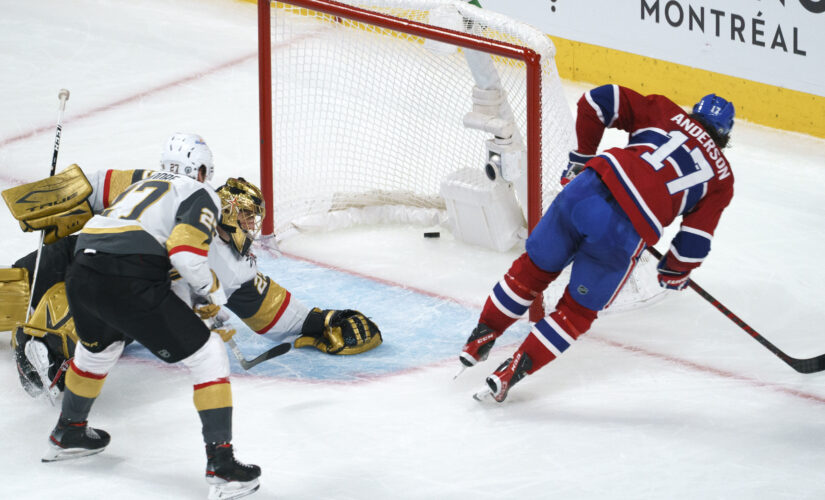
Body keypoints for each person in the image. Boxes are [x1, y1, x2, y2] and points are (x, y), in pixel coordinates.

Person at [459, 84, 736, 402]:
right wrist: (675, 269)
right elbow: (695, 241)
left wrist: (580, 160)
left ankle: (481, 336)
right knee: (577, 311)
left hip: (587, 188)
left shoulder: (663, 109)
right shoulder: (721, 177)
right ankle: (512, 371)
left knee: (533, 269)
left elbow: (596, 101)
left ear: (693, 113)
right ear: (724, 139)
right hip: (621, 231)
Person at [33, 133, 263, 500]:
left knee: (96, 352)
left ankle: (68, 432)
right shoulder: (199, 193)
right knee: (209, 356)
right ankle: (222, 467)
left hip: (82, 270)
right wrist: (214, 293)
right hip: (128, 276)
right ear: (201, 169)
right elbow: (185, 256)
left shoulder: (142, 183)